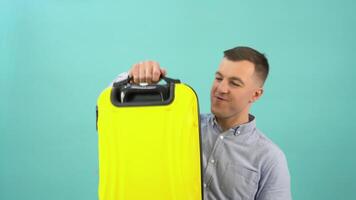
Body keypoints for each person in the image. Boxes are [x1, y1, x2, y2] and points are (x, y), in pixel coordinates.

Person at [111, 46, 292, 200]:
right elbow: (118, 115)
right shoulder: (179, 126)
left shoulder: (270, 159)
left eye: (235, 83)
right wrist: (131, 79)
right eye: (219, 78)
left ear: (256, 94)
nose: (221, 89)